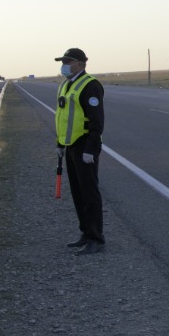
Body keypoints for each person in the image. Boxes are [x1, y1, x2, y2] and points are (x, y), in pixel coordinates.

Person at [54, 47, 105, 255]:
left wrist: (90, 150)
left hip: (85, 145)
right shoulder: (66, 85)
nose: (64, 65)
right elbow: (63, 117)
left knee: (90, 193)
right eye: (63, 61)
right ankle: (85, 232)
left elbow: (97, 121)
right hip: (71, 145)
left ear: (81, 64)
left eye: (69, 61)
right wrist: (59, 144)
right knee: (77, 192)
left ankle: (96, 238)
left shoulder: (90, 85)